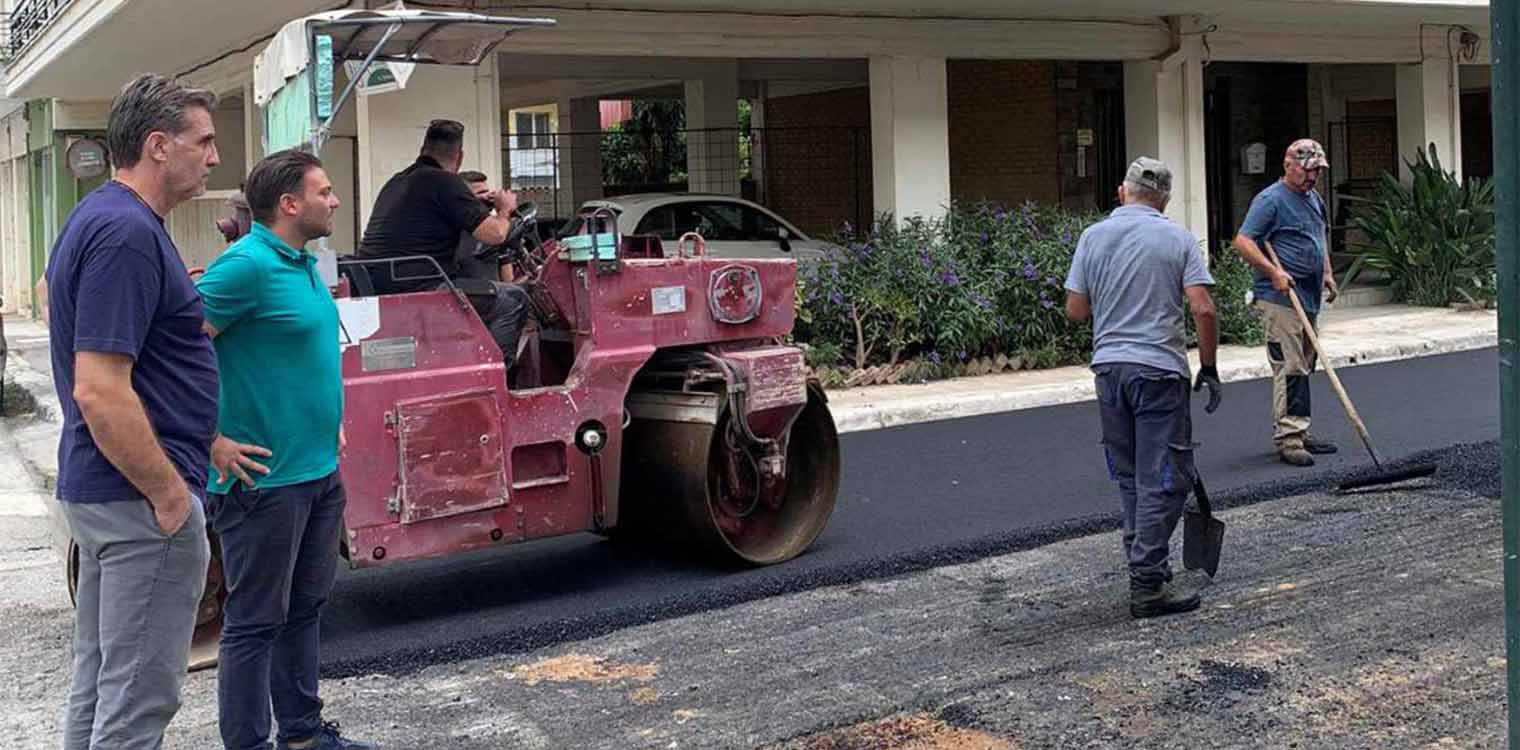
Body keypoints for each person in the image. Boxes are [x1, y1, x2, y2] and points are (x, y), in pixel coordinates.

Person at [47, 73, 219, 750]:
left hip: (108, 495)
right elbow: (99, 388)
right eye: (202, 141)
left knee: (100, 684)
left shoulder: (102, 218)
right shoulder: (125, 234)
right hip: (137, 501)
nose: (212, 157)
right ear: (157, 146)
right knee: (139, 699)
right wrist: (170, 497)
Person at [196, 149, 375, 750]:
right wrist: (210, 439)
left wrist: (330, 421)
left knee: (304, 610)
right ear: (289, 204)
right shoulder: (243, 267)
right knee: (252, 623)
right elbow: (172, 355)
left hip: (317, 472)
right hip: (263, 485)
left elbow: (297, 356)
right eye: (324, 191)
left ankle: (301, 735)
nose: (335, 199)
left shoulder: (301, 263)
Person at [1065, 157, 1222, 619]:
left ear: (1122, 192)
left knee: (1132, 475)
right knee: (1168, 479)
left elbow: (1076, 311)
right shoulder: (1177, 239)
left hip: (1110, 372)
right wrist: (1208, 367)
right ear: (1165, 200)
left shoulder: (1092, 237)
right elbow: (1204, 309)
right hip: (1159, 371)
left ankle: (1145, 561)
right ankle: (1148, 583)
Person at [356, 119, 530, 368]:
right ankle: (499, 379)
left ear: (424, 149)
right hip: (423, 286)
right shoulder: (446, 182)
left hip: (383, 280)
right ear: (459, 156)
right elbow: (496, 235)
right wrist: (504, 210)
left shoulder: (397, 181)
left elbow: (433, 216)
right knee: (512, 298)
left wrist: (477, 206)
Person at [1233, 139, 1340, 467]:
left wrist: (1326, 272)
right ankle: (1289, 437)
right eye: (1308, 171)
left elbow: (1318, 234)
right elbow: (1243, 241)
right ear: (1288, 166)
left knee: (1306, 364)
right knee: (1290, 366)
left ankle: (1300, 428)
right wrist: (1273, 272)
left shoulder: (1313, 199)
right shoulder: (1270, 201)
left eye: (1317, 172)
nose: (1313, 177)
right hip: (1279, 297)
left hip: (1308, 295)